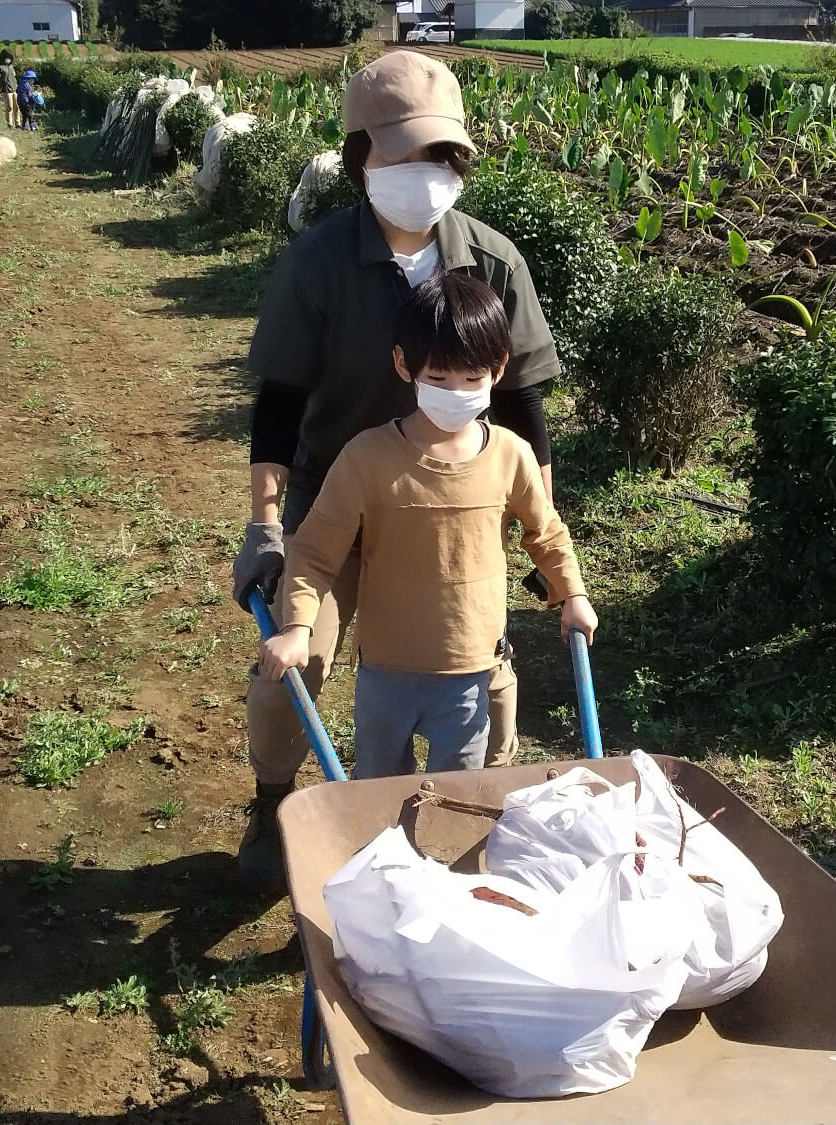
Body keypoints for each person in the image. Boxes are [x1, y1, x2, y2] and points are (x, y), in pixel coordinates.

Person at [230, 51, 561, 888]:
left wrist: (533, 526)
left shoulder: (493, 262)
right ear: (359, 159)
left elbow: (523, 403)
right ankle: (272, 807)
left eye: (440, 157)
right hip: (335, 495)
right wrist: (269, 522)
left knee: (486, 676)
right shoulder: (320, 262)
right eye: (403, 156)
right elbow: (279, 398)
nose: (423, 174)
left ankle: (473, 814)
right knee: (291, 665)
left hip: (455, 500)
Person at [260, 275, 594, 779]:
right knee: (380, 790)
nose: (454, 392)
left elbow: (546, 533)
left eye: (471, 378)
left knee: (462, 797)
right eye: (438, 378)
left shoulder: (511, 455)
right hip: (386, 674)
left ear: (498, 369)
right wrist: (297, 626)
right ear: (404, 365)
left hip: (472, 670)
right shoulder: (366, 458)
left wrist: (572, 595)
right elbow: (314, 551)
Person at [0, 50, 19, 129]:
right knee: (9, 107)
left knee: (17, 107)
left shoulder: (11, 66)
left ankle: (17, 123)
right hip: (6, 90)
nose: (9, 59)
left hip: (14, 89)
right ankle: (10, 124)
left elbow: (14, 76)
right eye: (7, 57)